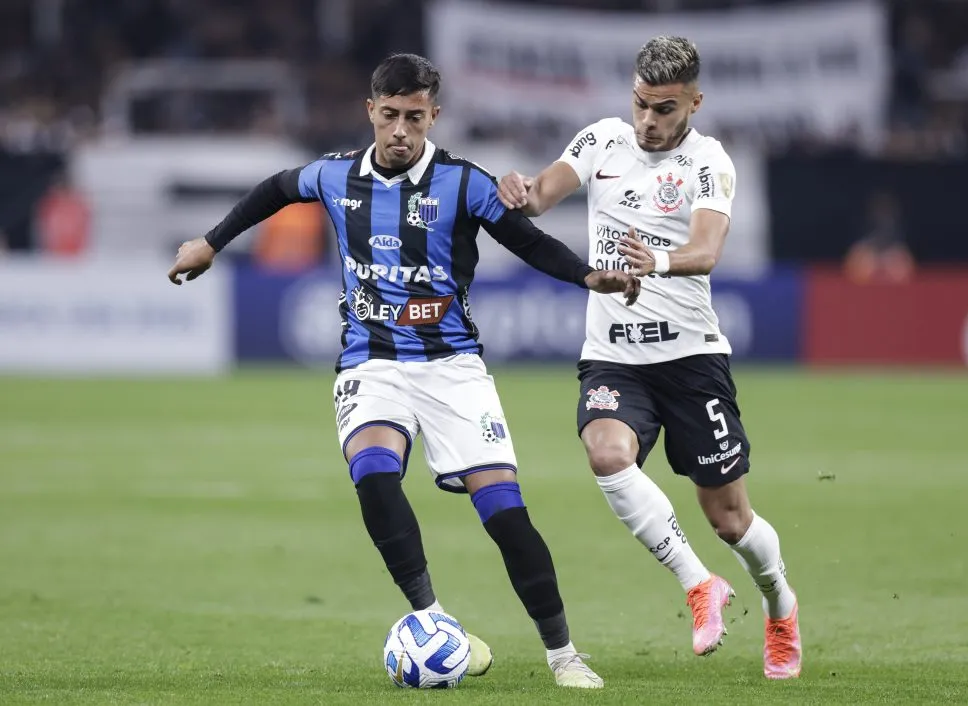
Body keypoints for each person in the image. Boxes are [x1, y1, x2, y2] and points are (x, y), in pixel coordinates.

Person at [168, 53, 640, 689]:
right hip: (372, 361)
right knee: (375, 475)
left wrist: (589, 276)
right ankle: (432, 619)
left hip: (453, 367)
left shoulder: (465, 183)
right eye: (388, 116)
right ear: (370, 111)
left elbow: (529, 243)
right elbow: (276, 188)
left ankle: (563, 655)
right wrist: (211, 242)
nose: (399, 131)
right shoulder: (335, 176)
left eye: (413, 118)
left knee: (505, 514)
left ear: (433, 117)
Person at [497, 36, 802, 680]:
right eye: (641, 104)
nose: (648, 121)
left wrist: (654, 262)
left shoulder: (708, 160)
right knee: (607, 453)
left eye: (664, 108)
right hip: (612, 356)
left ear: (694, 101)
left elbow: (707, 248)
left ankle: (780, 607)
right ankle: (699, 586)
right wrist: (521, 188)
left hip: (691, 360)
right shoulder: (602, 141)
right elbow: (544, 193)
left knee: (729, 519)